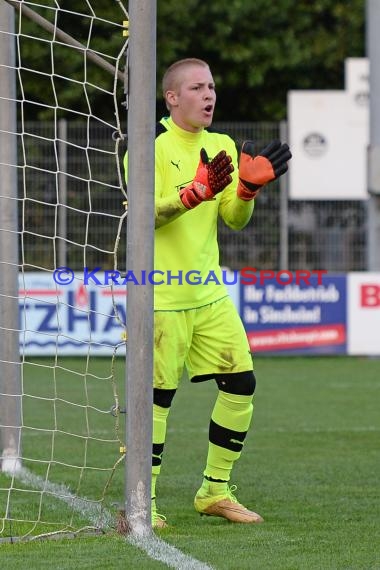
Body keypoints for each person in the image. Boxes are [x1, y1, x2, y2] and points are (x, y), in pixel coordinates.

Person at [124, 58, 291, 528]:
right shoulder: (148, 145)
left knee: (242, 385)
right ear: (172, 98)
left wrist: (248, 189)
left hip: (211, 294)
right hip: (160, 296)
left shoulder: (221, 146)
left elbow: (233, 221)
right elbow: (143, 216)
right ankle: (144, 502)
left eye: (212, 87)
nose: (209, 95)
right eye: (197, 87)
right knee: (156, 402)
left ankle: (214, 491)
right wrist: (190, 195)